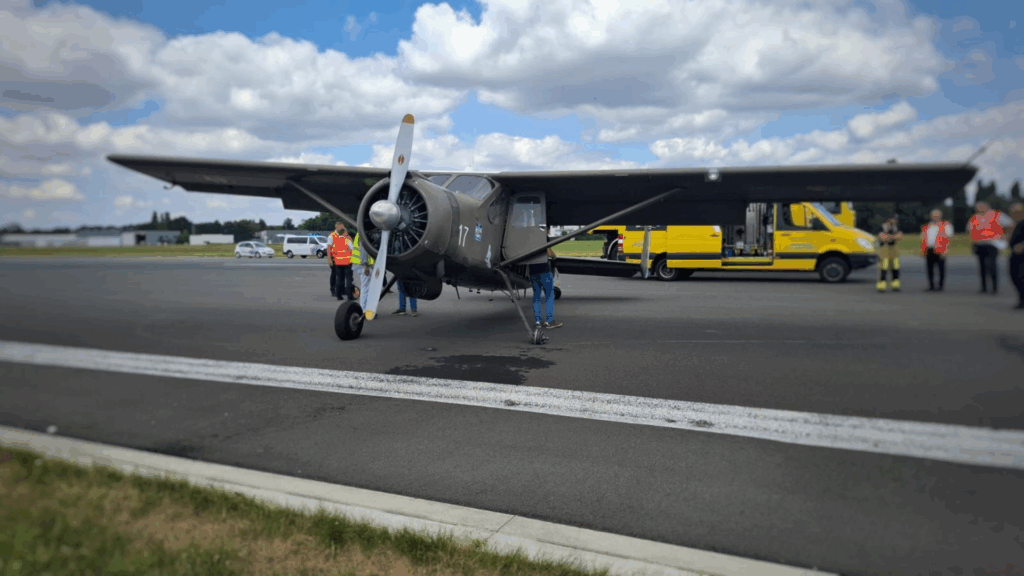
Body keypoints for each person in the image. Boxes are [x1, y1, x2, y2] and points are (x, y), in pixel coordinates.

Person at [968, 201, 1015, 294]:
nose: (978, 209)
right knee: (982, 267)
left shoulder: (996, 215)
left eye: (980, 207)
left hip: (992, 243)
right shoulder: (974, 218)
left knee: (991, 265)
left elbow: (1011, 224)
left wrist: (1006, 235)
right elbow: (970, 230)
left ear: (987, 206)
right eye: (977, 208)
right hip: (980, 244)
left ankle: (994, 287)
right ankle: (984, 287)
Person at [920, 209, 953, 291]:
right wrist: (923, 250)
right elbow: (923, 239)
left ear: (940, 216)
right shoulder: (927, 226)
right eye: (934, 216)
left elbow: (949, 238)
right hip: (929, 249)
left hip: (940, 249)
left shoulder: (946, 225)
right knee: (929, 269)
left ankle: (940, 286)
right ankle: (931, 285)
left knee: (941, 269)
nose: (935, 217)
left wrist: (946, 250)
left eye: (937, 216)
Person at [531, 245, 561, 329]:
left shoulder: (529, 238)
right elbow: (549, 252)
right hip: (544, 271)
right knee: (549, 296)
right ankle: (549, 321)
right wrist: (554, 256)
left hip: (532, 272)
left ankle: (538, 321)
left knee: (536, 297)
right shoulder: (543, 237)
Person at [327, 221, 354, 301]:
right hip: (346, 261)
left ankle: (339, 294)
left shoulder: (336, 237)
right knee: (348, 279)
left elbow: (331, 249)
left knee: (339, 278)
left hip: (338, 261)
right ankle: (349, 295)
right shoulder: (346, 237)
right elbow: (352, 248)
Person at [876, 215, 903, 292]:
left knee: (896, 266)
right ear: (888, 220)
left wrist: (889, 237)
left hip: (894, 249)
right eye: (892, 220)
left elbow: (900, 237)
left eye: (895, 220)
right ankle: (881, 284)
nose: (894, 221)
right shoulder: (882, 227)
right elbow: (883, 238)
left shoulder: (896, 228)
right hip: (884, 249)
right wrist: (894, 236)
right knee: (884, 266)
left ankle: (895, 284)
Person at [1008, 202, 1024, 309]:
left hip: (1022, 256)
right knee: (1015, 276)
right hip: (1015, 255)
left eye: (1017, 212)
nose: (1014, 214)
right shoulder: (1016, 223)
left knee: (1020, 277)